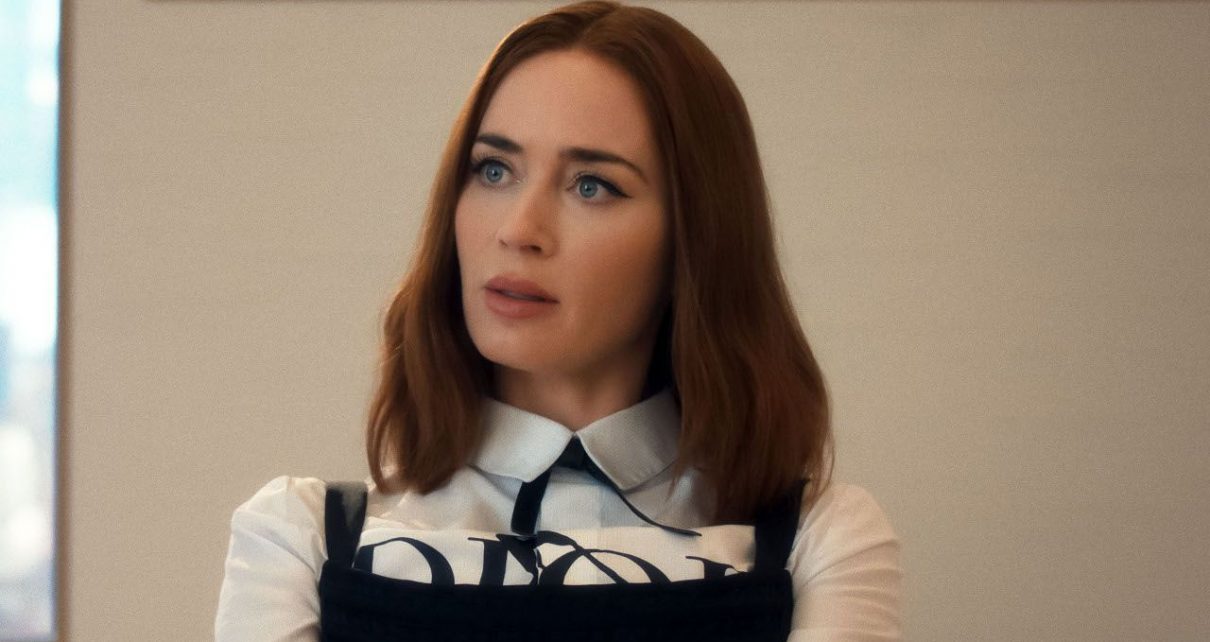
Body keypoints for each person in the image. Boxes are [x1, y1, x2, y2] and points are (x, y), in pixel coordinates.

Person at [215, 1, 901, 640]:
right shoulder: (302, 539)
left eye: (591, 185)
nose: (519, 229)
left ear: (696, 239)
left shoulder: (820, 542)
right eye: (493, 170)